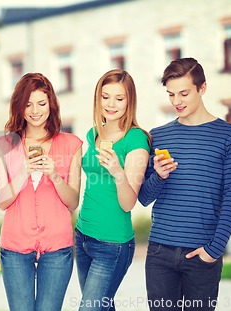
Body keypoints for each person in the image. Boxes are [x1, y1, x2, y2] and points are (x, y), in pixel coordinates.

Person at [138, 57, 231, 311]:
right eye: (171, 94)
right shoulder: (158, 136)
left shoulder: (230, 137)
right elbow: (143, 197)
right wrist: (159, 177)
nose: (177, 101)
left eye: (184, 93)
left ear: (203, 88)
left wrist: (213, 250)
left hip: (202, 254)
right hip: (159, 254)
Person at [0, 73, 82, 310]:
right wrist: (23, 172)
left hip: (57, 247)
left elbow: (73, 201)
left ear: (51, 105)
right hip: (14, 247)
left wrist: (54, 175)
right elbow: (1, 202)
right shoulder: (4, 145)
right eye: (28, 104)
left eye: (41, 103)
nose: (35, 110)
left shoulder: (71, 144)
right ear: (19, 107)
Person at [75, 69, 150, 310]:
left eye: (119, 98)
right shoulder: (94, 133)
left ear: (130, 101)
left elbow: (128, 203)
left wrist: (117, 171)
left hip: (113, 243)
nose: (111, 104)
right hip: (83, 235)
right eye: (105, 96)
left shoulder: (136, 140)